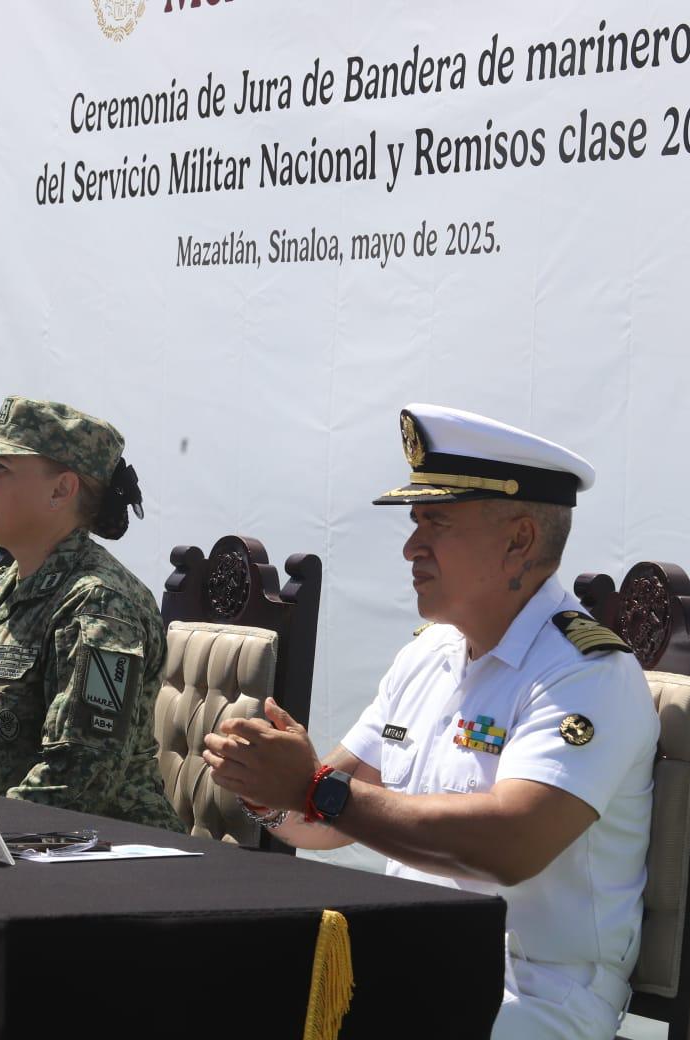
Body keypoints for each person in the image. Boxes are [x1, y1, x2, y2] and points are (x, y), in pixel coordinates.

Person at [201, 403, 658, 1039]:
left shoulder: (587, 673)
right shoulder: (429, 654)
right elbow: (323, 819)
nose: (412, 546)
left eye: (435, 523)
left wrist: (315, 790)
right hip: (411, 961)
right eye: (415, 522)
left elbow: (511, 844)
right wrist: (267, 787)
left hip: (532, 995)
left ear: (520, 539)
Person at [0, 396, 180, 829]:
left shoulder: (100, 604)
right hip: (8, 847)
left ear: (61, 490)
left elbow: (80, 777)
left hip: (102, 863)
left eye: (1, 469)